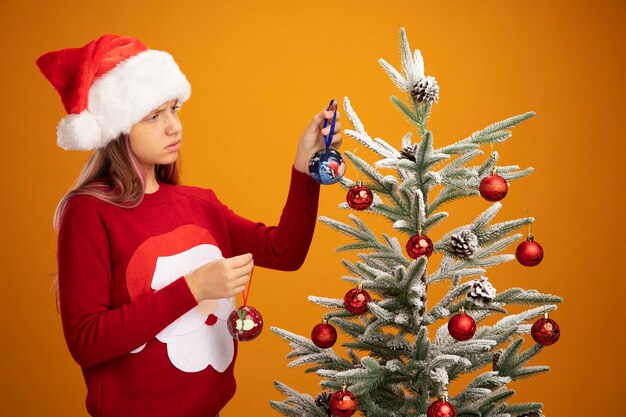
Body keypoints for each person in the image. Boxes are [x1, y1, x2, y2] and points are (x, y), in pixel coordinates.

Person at [37, 34, 342, 417]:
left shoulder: (199, 203)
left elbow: (286, 251)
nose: (174, 127)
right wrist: (194, 287)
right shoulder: (89, 211)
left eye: (174, 109)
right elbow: (87, 340)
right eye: (154, 116)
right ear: (117, 128)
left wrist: (304, 166)